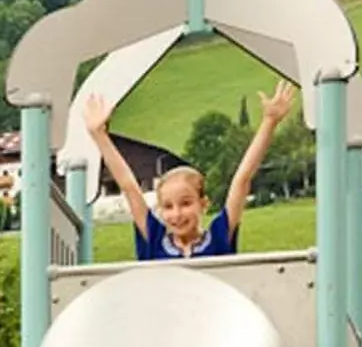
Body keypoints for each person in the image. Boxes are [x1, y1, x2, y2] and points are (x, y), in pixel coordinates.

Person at [85, 79, 298, 262]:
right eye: (168, 206)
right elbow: (129, 186)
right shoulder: (154, 241)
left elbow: (242, 179)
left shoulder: (218, 238)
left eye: (186, 203)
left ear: (203, 204)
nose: (176, 214)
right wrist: (100, 136)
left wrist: (269, 122)